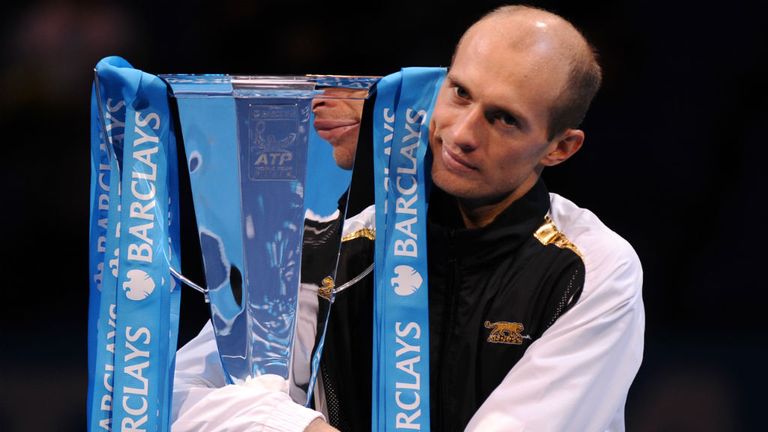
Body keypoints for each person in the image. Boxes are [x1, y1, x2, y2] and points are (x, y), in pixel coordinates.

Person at [172, 5, 644, 432]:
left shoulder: (593, 270)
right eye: (460, 93)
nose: (461, 134)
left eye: (503, 119)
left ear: (561, 147)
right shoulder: (340, 246)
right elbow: (184, 395)